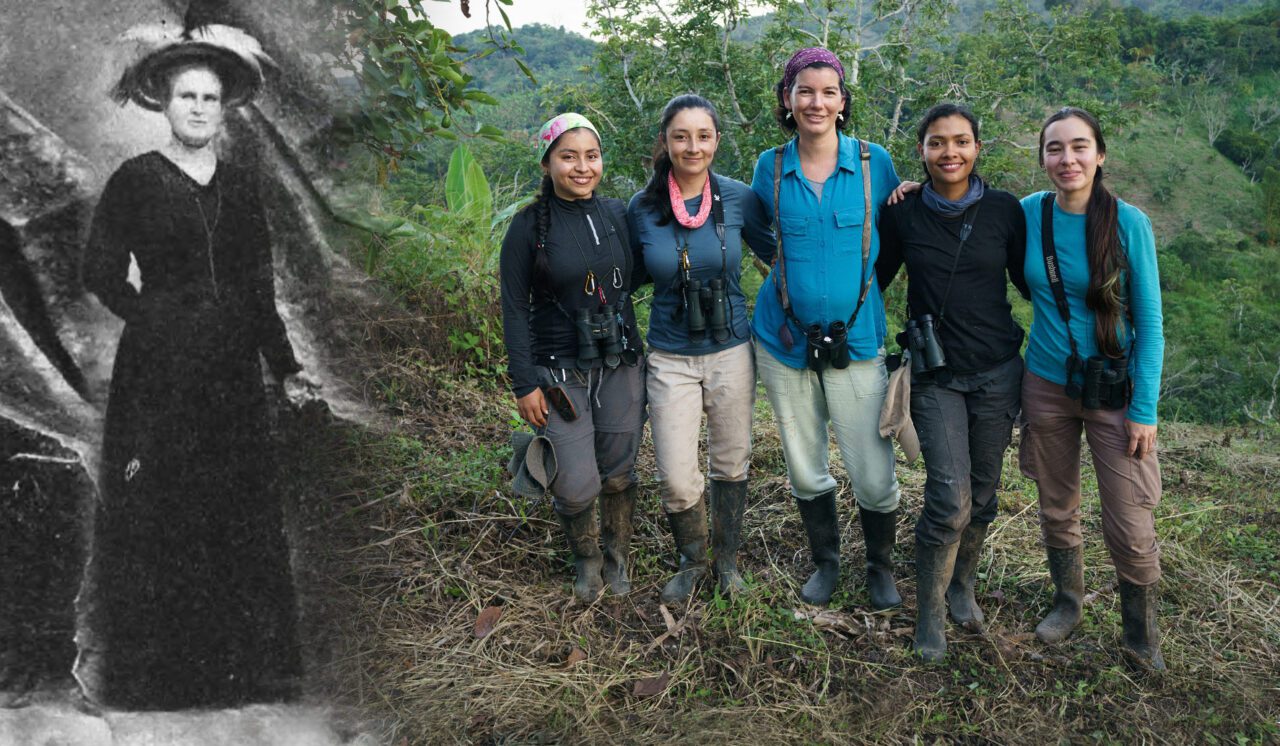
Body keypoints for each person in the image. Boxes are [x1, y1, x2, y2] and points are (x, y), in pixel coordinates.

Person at [84, 25, 317, 709]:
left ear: (225, 109)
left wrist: (285, 365)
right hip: (157, 371)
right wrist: (153, 316)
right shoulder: (133, 181)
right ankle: (159, 683)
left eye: (210, 98)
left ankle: (241, 676)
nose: (197, 108)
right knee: (160, 504)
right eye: (186, 95)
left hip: (231, 369)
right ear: (164, 103)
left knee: (234, 506)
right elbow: (97, 272)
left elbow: (257, 286)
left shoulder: (243, 188)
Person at [751, 48, 903, 609]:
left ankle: (880, 566)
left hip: (858, 341)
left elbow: (896, 235)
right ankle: (827, 561)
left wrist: (857, 295)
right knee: (804, 460)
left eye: (828, 92)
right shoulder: (769, 166)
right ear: (787, 100)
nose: (817, 102)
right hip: (784, 340)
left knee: (872, 469)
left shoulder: (873, 162)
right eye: (804, 91)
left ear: (843, 102)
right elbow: (759, 233)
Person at [876, 103, 1028, 661]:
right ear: (922, 150)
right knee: (949, 496)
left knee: (984, 493)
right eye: (937, 143)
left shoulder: (1006, 211)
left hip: (997, 372)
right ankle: (930, 612)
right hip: (936, 375)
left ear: (977, 148)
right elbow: (876, 275)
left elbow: (1029, 280)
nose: (950, 153)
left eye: (961, 142)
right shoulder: (904, 212)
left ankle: (961, 585)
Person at [1020, 107, 1166, 670]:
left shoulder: (1129, 223)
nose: (1067, 159)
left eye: (1079, 147)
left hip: (1116, 391)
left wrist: (1145, 409)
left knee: (1129, 518)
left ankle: (1140, 632)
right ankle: (1068, 602)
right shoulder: (1030, 213)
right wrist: (909, 189)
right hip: (1047, 384)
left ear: (1100, 155)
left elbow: (1150, 325)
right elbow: (967, 206)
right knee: (1057, 504)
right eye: (1054, 149)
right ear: (1043, 159)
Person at [626, 94, 774, 602]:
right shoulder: (643, 208)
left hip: (732, 349)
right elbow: (625, 277)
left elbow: (780, 254)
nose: (693, 147)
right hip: (669, 354)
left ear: (717, 140)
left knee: (731, 461)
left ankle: (727, 563)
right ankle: (693, 560)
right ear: (664, 143)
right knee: (676, 474)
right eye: (681, 136)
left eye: (703, 136)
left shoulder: (739, 197)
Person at [500, 113, 646, 603]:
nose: (582, 167)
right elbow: (514, 308)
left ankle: (616, 557)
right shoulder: (526, 228)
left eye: (591, 156)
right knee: (578, 483)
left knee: (620, 468)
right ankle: (585, 559)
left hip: (620, 360)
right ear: (547, 163)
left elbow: (639, 274)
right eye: (568, 157)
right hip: (559, 369)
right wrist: (524, 383)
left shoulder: (616, 214)